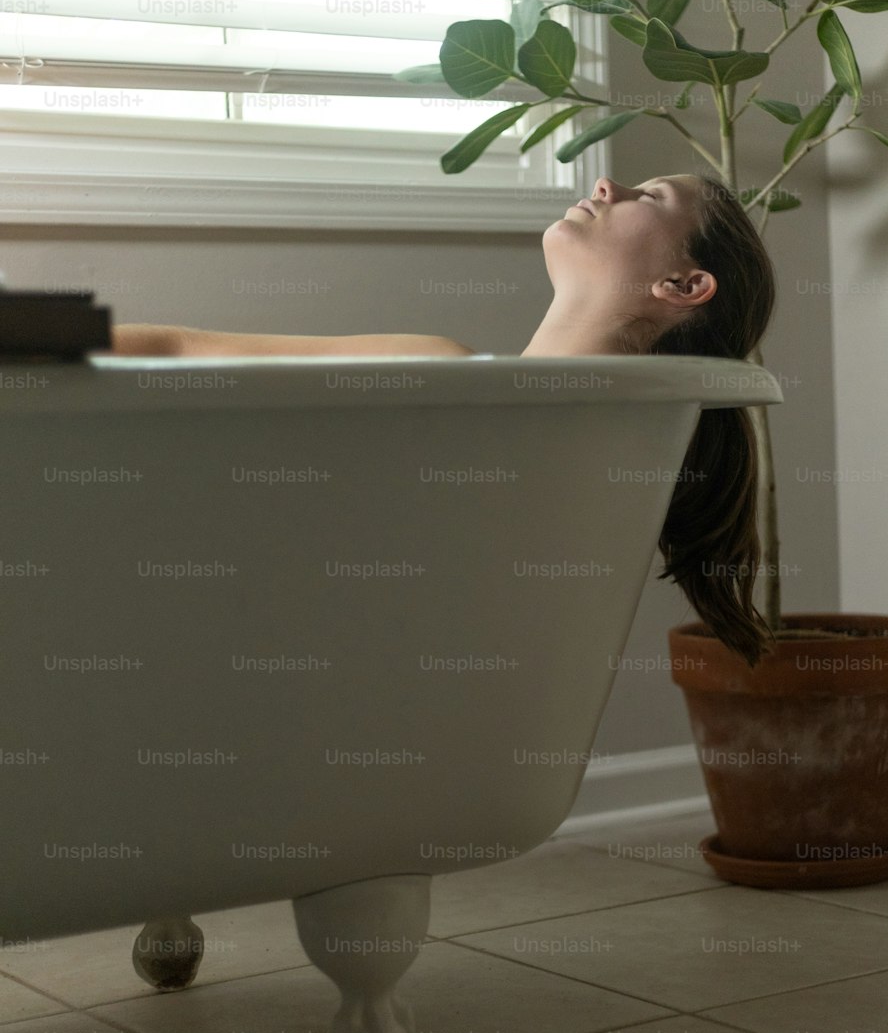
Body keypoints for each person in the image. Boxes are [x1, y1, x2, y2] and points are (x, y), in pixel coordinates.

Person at [110, 173, 776, 667]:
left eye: (650, 196)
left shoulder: (433, 368)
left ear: (685, 286)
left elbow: (179, 349)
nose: (607, 184)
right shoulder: (616, 463)